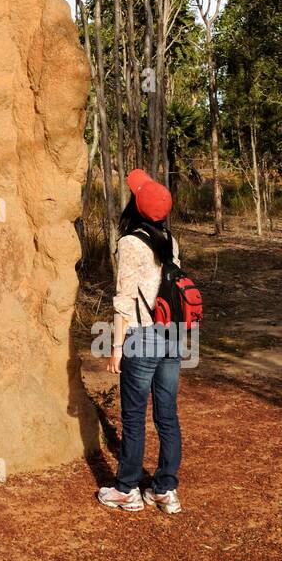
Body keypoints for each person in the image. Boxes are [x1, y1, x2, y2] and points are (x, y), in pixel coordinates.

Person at [97, 169, 183, 515]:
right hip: (174, 336)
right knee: (167, 416)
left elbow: (124, 299)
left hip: (142, 337)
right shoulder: (171, 240)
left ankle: (127, 489)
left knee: (133, 417)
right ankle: (165, 490)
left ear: (136, 205)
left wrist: (116, 347)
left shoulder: (130, 243)